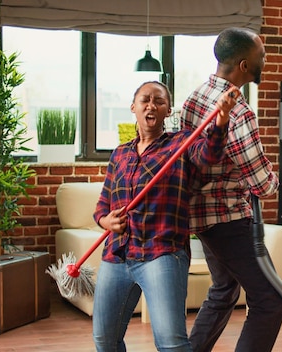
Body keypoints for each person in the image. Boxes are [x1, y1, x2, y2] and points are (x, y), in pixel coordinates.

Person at [92, 81, 240, 352]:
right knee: (104, 339)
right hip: (117, 254)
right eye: (145, 100)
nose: (151, 105)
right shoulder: (119, 155)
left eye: (159, 101)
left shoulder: (181, 143)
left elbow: (210, 155)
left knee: (171, 344)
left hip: (161, 253)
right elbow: (102, 207)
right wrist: (107, 222)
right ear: (133, 107)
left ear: (168, 110)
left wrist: (221, 118)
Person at [180, 27, 282, 352]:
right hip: (229, 220)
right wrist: (274, 178)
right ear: (243, 65)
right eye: (261, 56)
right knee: (270, 299)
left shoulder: (194, 97)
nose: (264, 60)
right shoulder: (239, 113)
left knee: (224, 290)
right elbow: (262, 183)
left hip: (203, 220)